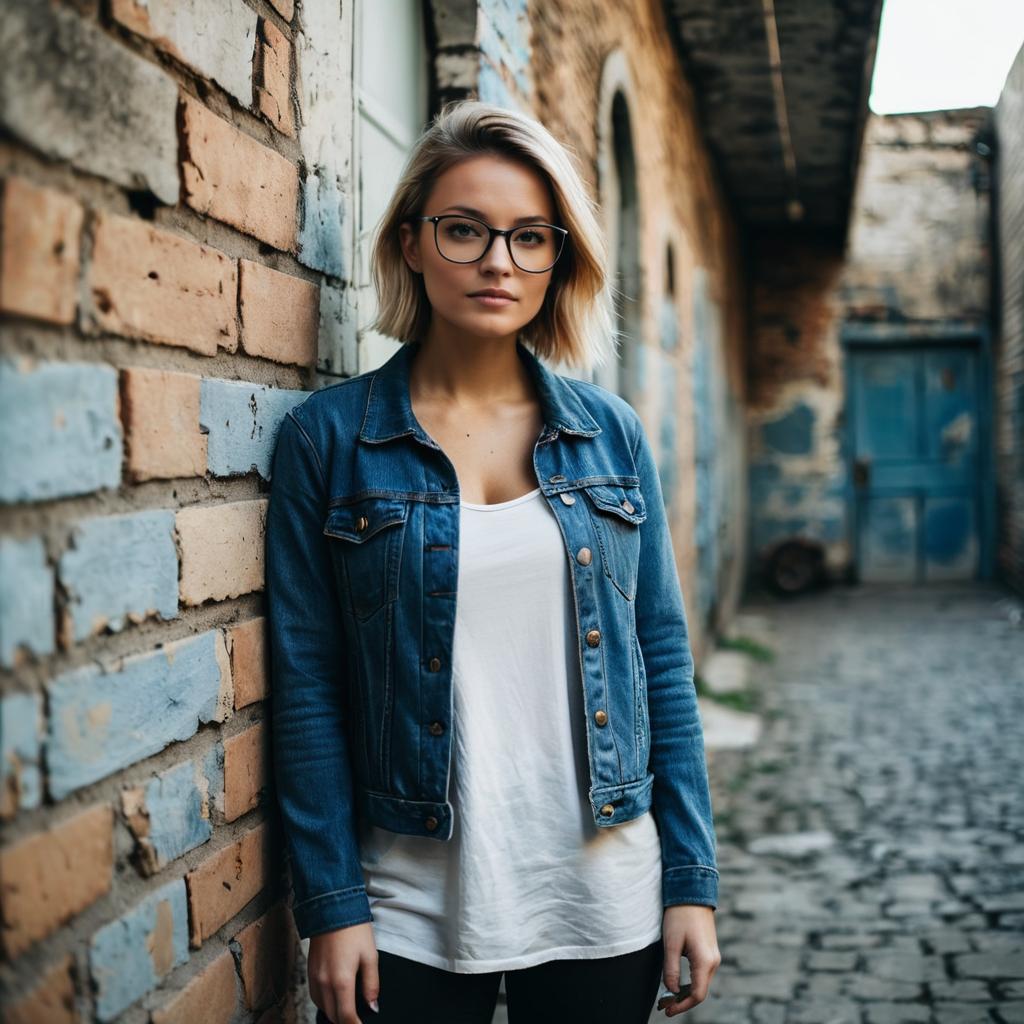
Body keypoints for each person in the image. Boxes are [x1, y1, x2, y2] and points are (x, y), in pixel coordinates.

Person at [265, 100, 721, 1024]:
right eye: (464, 230)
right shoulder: (330, 441)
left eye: (530, 237)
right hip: (407, 904)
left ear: (560, 258)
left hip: (601, 896)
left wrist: (691, 879)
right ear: (411, 244)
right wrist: (332, 902)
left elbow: (659, 660)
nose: (497, 262)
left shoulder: (610, 435)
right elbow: (306, 682)